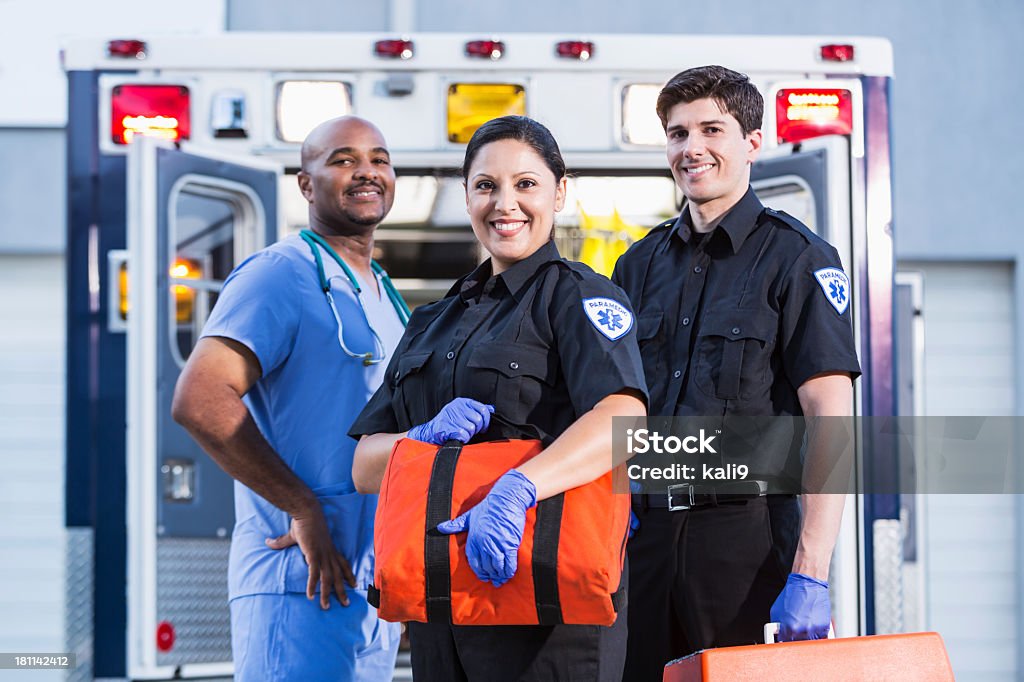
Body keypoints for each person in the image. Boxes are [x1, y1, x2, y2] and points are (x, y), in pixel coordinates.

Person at [348, 115, 648, 681]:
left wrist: (518, 487)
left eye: (526, 184)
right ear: (467, 198)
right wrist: (417, 441)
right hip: (443, 609)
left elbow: (623, 419)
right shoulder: (431, 322)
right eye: (486, 185)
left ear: (560, 192)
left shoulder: (578, 297)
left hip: (546, 609)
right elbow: (365, 466)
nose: (505, 203)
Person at [612, 66, 861, 680]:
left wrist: (810, 571)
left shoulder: (797, 258)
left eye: (710, 129)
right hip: (643, 542)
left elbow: (832, 417)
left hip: (745, 545)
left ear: (753, 142)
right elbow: (613, 409)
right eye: (677, 134)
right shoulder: (636, 266)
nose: (690, 147)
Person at [171, 116, 406, 681]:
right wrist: (301, 506)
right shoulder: (280, 274)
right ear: (306, 184)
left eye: (379, 158)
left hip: (370, 585)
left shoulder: (381, 292)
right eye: (344, 159)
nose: (367, 172)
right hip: (297, 578)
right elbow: (200, 399)